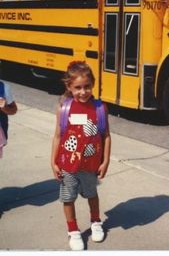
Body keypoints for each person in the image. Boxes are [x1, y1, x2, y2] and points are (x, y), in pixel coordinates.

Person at [51, 61, 111, 251]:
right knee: (68, 198)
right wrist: (53, 161)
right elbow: (58, 136)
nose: (83, 92)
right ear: (69, 87)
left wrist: (106, 161)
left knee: (92, 194)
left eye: (87, 87)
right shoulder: (63, 109)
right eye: (77, 88)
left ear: (93, 84)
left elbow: (106, 136)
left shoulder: (100, 108)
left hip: (91, 165)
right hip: (68, 165)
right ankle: (73, 230)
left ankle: (95, 221)